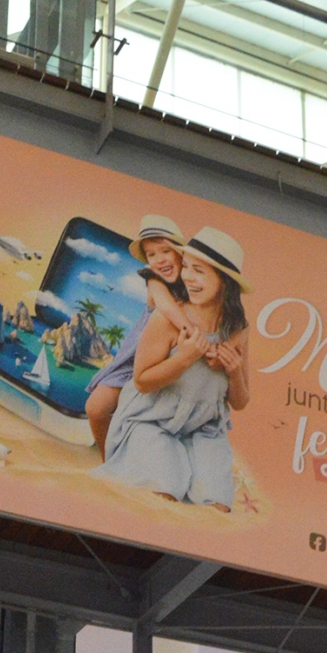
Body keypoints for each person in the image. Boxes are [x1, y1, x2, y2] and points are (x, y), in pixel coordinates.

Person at [92, 226, 250, 511]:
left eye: (199, 271)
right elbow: (142, 382)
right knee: (165, 490)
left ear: (224, 281)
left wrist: (234, 370)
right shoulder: (167, 318)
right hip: (150, 420)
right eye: (186, 266)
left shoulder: (237, 329)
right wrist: (184, 358)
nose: (187, 276)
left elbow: (240, 402)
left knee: (218, 504)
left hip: (204, 431)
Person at [86, 217, 195, 457]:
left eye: (165, 251)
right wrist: (193, 333)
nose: (159, 259)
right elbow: (166, 306)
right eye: (151, 255)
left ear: (181, 254)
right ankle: (108, 457)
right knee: (95, 407)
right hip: (133, 363)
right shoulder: (154, 281)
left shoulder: (194, 285)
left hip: (167, 367)